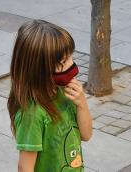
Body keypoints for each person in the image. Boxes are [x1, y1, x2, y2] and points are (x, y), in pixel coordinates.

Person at [8, 20, 92, 172]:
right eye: (63, 61)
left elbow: (86, 135)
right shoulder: (32, 115)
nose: (72, 64)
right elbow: (24, 167)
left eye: (70, 57)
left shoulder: (64, 92)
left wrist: (82, 104)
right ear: (40, 70)